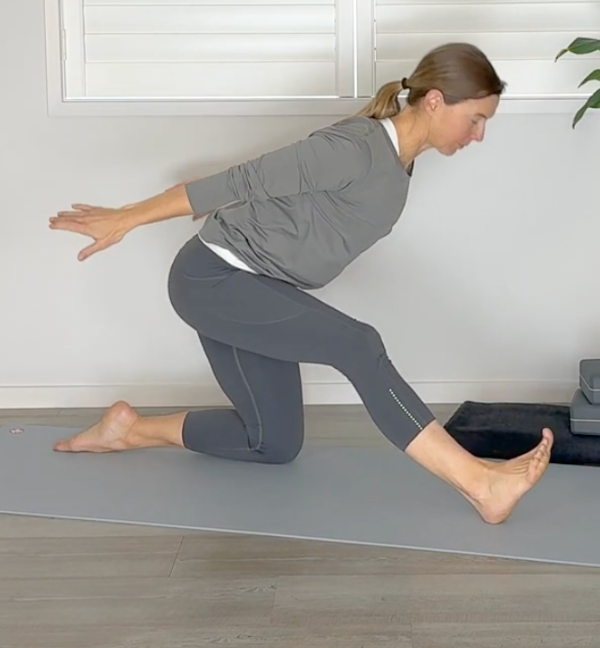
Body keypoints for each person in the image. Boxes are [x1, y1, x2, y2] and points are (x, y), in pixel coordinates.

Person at [47, 42, 552, 525]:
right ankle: (478, 483)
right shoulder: (356, 148)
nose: (479, 135)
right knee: (359, 345)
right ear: (436, 102)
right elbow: (240, 181)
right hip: (215, 278)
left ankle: (128, 430)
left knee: (272, 442)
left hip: (257, 287)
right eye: (476, 119)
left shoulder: (400, 164)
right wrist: (127, 217)